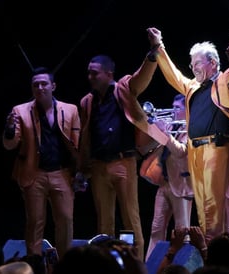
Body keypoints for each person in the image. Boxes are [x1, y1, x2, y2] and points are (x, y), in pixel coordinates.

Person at [147, 27, 229, 244]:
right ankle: (210, 255)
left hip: (217, 150)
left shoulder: (226, 80)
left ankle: (215, 260)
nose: (192, 67)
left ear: (213, 63)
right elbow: (174, 75)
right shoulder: (192, 86)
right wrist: (158, 46)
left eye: (197, 63)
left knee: (212, 215)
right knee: (204, 216)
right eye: (191, 64)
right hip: (196, 152)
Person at [78, 49, 170, 260]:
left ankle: (135, 264)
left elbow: (141, 78)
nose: (90, 77)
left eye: (95, 73)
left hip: (123, 162)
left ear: (109, 74)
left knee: (131, 220)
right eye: (89, 73)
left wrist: (151, 56)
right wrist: (82, 170)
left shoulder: (123, 89)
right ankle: (106, 265)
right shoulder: (87, 102)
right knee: (104, 224)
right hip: (99, 166)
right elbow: (85, 137)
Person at [3, 66, 81, 258]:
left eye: (44, 83)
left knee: (65, 220)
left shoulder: (70, 109)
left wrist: (80, 171)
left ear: (53, 86)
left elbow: (78, 144)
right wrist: (10, 129)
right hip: (34, 172)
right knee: (35, 222)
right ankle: (34, 264)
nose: (40, 87)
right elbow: (10, 145)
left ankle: (65, 263)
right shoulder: (20, 111)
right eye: (35, 85)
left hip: (61, 173)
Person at [140, 94, 194, 262]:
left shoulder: (191, 129)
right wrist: (155, 127)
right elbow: (148, 147)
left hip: (182, 186)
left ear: (187, 110)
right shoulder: (174, 127)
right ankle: (150, 265)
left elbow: (180, 152)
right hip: (165, 184)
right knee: (156, 229)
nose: (172, 111)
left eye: (177, 108)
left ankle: (182, 266)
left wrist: (165, 133)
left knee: (182, 231)